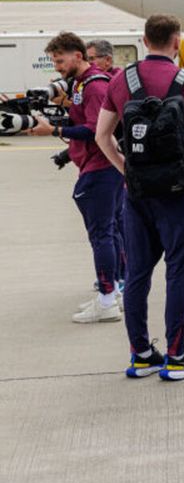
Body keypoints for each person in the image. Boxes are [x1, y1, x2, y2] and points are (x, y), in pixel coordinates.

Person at [95, 14, 184, 380]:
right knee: (178, 270)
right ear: (176, 42)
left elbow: (103, 137)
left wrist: (128, 171)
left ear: (144, 41)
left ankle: (142, 352)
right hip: (179, 194)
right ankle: (177, 355)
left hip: (138, 192)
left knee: (139, 273)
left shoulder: (120, 80)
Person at [29, 32, 122, 323]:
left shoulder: (93, 86)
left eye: (59, 60)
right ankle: (113, 293)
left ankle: (107, 300)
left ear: (77, 56)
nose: (56, 67)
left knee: (101, 235)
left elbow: (96, 130)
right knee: (109, 231)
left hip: (100, 169)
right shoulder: (83, 84)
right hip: (100, 167)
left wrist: (54, 131)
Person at [85, 39, 127, 291]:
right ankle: (119, 274)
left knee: (114, 224)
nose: (88, 65)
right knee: (115, 221)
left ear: (107, 61)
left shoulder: (109, 86)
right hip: (114, 159)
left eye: (92, 60)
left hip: (114, 159)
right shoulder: (109, 83)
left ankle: (118, 277)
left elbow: (98, 130)